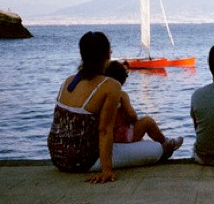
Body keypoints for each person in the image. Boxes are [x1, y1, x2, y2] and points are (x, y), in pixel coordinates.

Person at [47, 31, 163, 184]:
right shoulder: (110, 86)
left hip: (58, 157)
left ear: (82, 55)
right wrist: (106, 170)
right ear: (107, 54)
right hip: (84, 161)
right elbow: (104, 130)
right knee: (155, 149)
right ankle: (166, 147)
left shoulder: (68, 82)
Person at [104, 60, 183, 154]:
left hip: (107, 136)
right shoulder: (121, 95)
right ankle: (166, 144)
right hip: (122, 135)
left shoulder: (103, 95)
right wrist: (135, 120)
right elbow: (131, 114)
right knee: (147, 122)